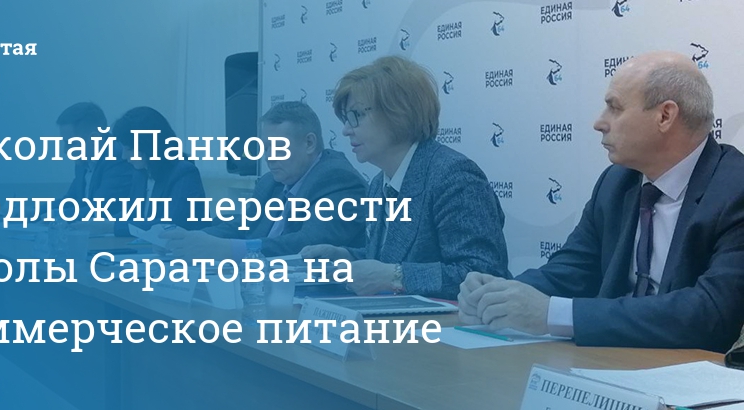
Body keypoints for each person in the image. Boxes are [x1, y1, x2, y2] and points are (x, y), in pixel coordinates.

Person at [458, 51, 744, 352]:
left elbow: (712, 313)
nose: (599, 123)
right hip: (610, 361)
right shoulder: (616, 182)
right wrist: (499, 295)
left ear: (665, 116)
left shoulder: (735, 190)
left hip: (691, 371)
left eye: (614, 108)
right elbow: (573, 270)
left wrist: (553, 315)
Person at [301, 56, 510, 300]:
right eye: (346, 118)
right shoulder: (378, 183)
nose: (346, 130)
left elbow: (483, 274)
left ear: (398, 113)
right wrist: (346, 257)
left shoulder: (454, 177)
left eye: (356, 115)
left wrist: (394, 277)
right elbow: (390, 259)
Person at [161, 101, 367, 258]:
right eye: (265, 148)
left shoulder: (338, 179)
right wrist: (185, 240)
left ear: (309, 143)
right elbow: (242, 225)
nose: (268, 157)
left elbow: (307, 243)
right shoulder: (272, 181)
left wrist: (230, 249)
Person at [111, 106, 208, 235]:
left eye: (129, 149)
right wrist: (99, 223)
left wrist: (113, 226)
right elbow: (131, 215)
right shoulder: (141, 173)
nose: (124, 156)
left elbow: (171, 224)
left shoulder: (184, 173)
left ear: (149, 145)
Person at [56, 102, 134, 216]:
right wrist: (35, 211)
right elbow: (71, 201)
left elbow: (100, 209)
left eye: (71, 143)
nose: (65, 150)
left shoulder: (118, 158)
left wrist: (54, 215)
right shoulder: (83, 160)